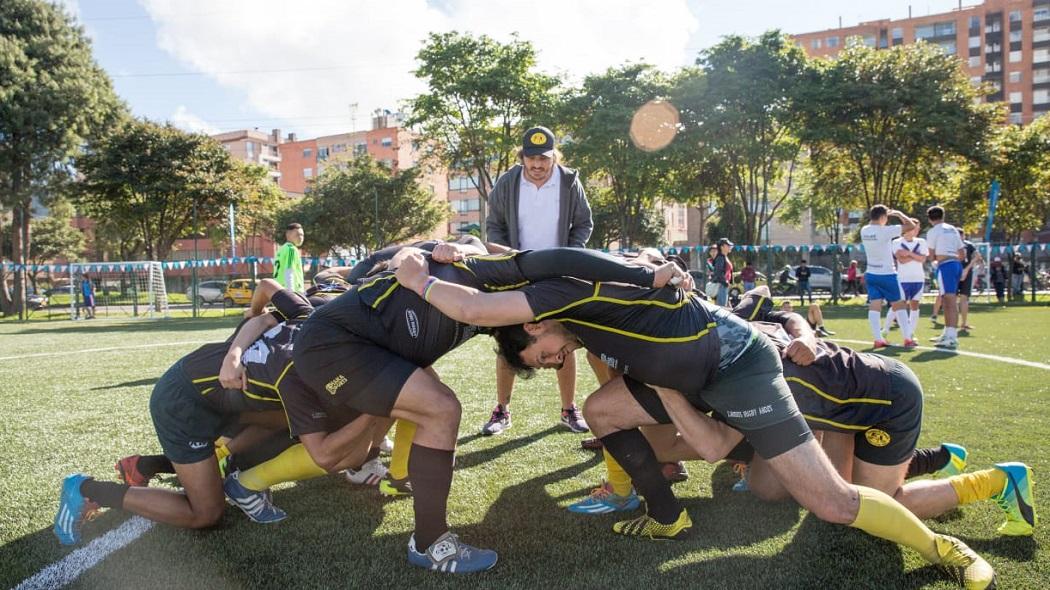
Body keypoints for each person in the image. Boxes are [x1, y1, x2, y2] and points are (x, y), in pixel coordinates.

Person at [396, 254, 996, 589]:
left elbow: (474, 305)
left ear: (533, 323)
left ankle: (945, 548)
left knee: (834, 504)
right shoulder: (583, 320)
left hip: (735, 367)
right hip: (692, 376)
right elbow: (492, 268)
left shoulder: (568, 296)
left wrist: (416, 277)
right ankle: (667, 515)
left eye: (544, 354)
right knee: (604, 410)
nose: (556, 361)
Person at [295, 247, 681, 573]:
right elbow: (564, 258)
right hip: (331, 344)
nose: (556, 360)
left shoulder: (497, 315)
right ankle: (430, 543)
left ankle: (413, 512)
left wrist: (424, 250)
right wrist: (646, 275)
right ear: (532, 327)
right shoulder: (497, 276)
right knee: (441, 410)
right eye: (547, 356)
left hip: (366, 350)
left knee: (431, 407)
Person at [54, 287, 386, 542]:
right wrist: (234, 354)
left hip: (233, 403)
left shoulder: (350, 329)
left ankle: (163, 465)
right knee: (206, 514)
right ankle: (86, 489)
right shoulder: (321, 319)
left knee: (296, 425)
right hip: (184, 402)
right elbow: (264, 315)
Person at [482, 126, 594, 436]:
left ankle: (569, 409)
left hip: (558, 276)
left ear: (554, 157)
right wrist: (510, 259)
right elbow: (494, 226)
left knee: (564, 342)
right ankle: (501, 410)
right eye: (531, 158)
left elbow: (584, 223)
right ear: (522, 157)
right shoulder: (507, 182)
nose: (537, 165)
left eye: (544, 159)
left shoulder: (570, 181)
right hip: (517, 275)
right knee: (509, 343)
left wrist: (569, 256)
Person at [861, 205, 918, 349]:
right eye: (886, 217)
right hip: (887, 274)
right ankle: (907, 338)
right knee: (899, 305)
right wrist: (899, 214)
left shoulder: (864, 230)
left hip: (871, 273)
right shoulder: (885, 231)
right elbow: (910, 225)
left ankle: (878, 339)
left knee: (875, 305)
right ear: (882, 218)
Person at [925, 206, 966, 349]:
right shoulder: (953, 229)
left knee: (949, 301)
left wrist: (936, 262)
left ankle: (952, 337)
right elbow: (962, 254)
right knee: (949, 299)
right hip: (955, 264)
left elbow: (931, 254)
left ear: (930, 219)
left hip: (945, 266)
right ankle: (948, 333)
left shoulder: (933, 231)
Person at [883, 226, 928, 339]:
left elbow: (923, 259)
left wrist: (908, 253)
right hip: (903, 278)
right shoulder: (896, 242)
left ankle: (910, 333)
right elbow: (901, 260)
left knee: (915, 305)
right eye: (909, 228)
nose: (911, 231)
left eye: (914, 228)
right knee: (899, 304)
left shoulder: (921, 242)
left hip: (918, 278)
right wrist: (916, 256)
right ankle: (885, 329)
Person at [957, 233, 980, 332]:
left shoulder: (969, 245)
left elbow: (977, 256)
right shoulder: (952, 244)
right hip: (955, 272)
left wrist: (966, 269)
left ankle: (964, 323)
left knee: (964, 298)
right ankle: (952, 324)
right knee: (952, 298)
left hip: (966, 273)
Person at [273, 222, 305, 292]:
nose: (301, 237)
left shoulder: (281, 249)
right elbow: (289, 271)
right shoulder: (291, 249)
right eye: (297, 235)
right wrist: (291, 293)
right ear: (288, 235)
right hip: (291, 291)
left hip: (278, 290)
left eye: (302, 235)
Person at [712, 238, 733, 306]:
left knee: (725, 308)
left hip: (724, 285)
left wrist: (729, 283)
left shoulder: (724, 257)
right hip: (721, 285)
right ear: (722, 247)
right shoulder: (720, 258)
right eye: (727, 245)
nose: (730, 247)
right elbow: (718, 272)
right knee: (721, 308)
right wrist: (725, 282)